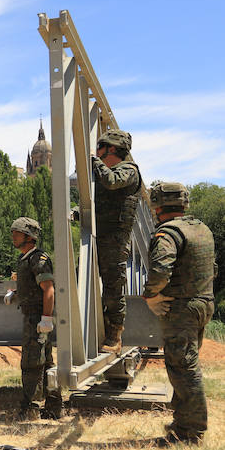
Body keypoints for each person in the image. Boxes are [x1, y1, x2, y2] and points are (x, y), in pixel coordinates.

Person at [143, 182, 216, 446]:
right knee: (185, 364)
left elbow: (161, 269)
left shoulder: (168, 233)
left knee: (183, 367)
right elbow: (212, 267)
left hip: (182, 308)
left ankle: (190, 433)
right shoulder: (201, 229)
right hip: (203, 303)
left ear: (157, 205)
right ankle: (182, 422)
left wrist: (151, 295)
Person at [4, 217, 63, 420]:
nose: (13, 236)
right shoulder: (26, 259)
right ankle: (54, 407)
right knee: (45, 362)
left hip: (36, 318)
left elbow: (49, 290)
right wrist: (16, 293)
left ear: (28, 237)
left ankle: (31, 409)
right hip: (33, 316)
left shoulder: (38, 259)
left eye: (16, 233)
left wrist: (46, 319)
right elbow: (34, 289)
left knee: (32, 362)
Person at [91, 129, 142, 353]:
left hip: (116, 238)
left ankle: (115, 333)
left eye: (100, 147)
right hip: (97, 235)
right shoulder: (105, 171)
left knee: (113, 285)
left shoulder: (128, 170)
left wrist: (94, 162)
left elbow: (112, 182)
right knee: (85, 278)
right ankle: (93, 324)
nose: (97, 152)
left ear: (111, 148)